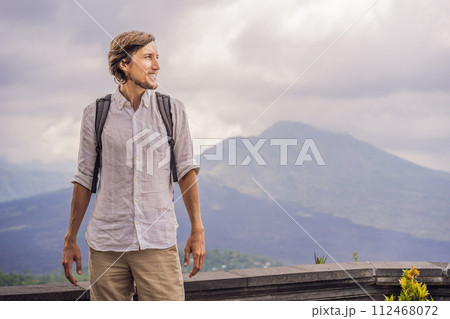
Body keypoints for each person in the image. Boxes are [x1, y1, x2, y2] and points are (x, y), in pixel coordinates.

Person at [62, 30, 205, 301]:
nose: (157, 65)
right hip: (106, 245)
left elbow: (186, 171)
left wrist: (197, 230)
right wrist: (71, 238)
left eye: (157, 57)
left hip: (157, 243)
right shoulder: (96, 113)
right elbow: (84, 178)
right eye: (148, 57)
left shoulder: (172, 109)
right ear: (124, 64)